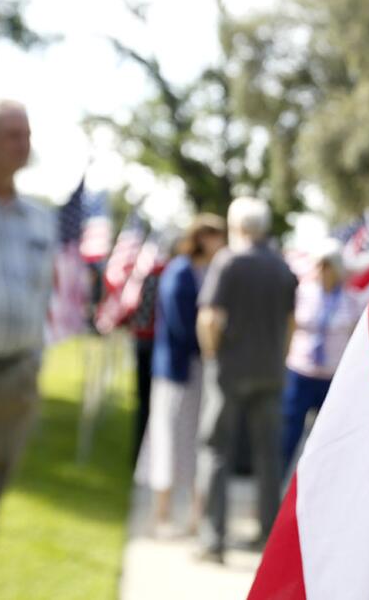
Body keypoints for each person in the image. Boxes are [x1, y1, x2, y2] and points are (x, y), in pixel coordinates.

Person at [195, 196, 298, 563]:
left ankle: (213, 540)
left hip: (230, 371)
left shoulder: (229, 262)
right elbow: (290, 324)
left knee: (216, 451)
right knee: (268, 456)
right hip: (270, 372)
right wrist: (280, 358)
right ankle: (267, 538)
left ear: (237, 226)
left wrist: (212, 354)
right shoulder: (283, 268)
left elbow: (209, 319)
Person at [0, 99, 56, 577]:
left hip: (14, 380)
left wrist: (33, 363)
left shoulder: (39, 218)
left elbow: (44, 293)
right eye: (13, 134)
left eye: (26, 134)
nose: (23, 144)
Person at [145, 214, 226, 536]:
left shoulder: (210, 271)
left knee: (196, 442)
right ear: (201, 237)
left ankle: (195, 516)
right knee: (168, 440)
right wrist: (214, 340)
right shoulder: (180, 272)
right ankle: (162, 515)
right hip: (178, 371)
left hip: (200, 368)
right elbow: (181, 325)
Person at [280, 240, 366, 477]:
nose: (321, 271)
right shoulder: (302, 294)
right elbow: (290, 327)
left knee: (326, 439)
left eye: (326, 265)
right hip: (300, 373)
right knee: (288, 434)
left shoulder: (351, 300)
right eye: (318, 265)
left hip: (332, 376)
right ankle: (277, 489)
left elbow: (355, 338)